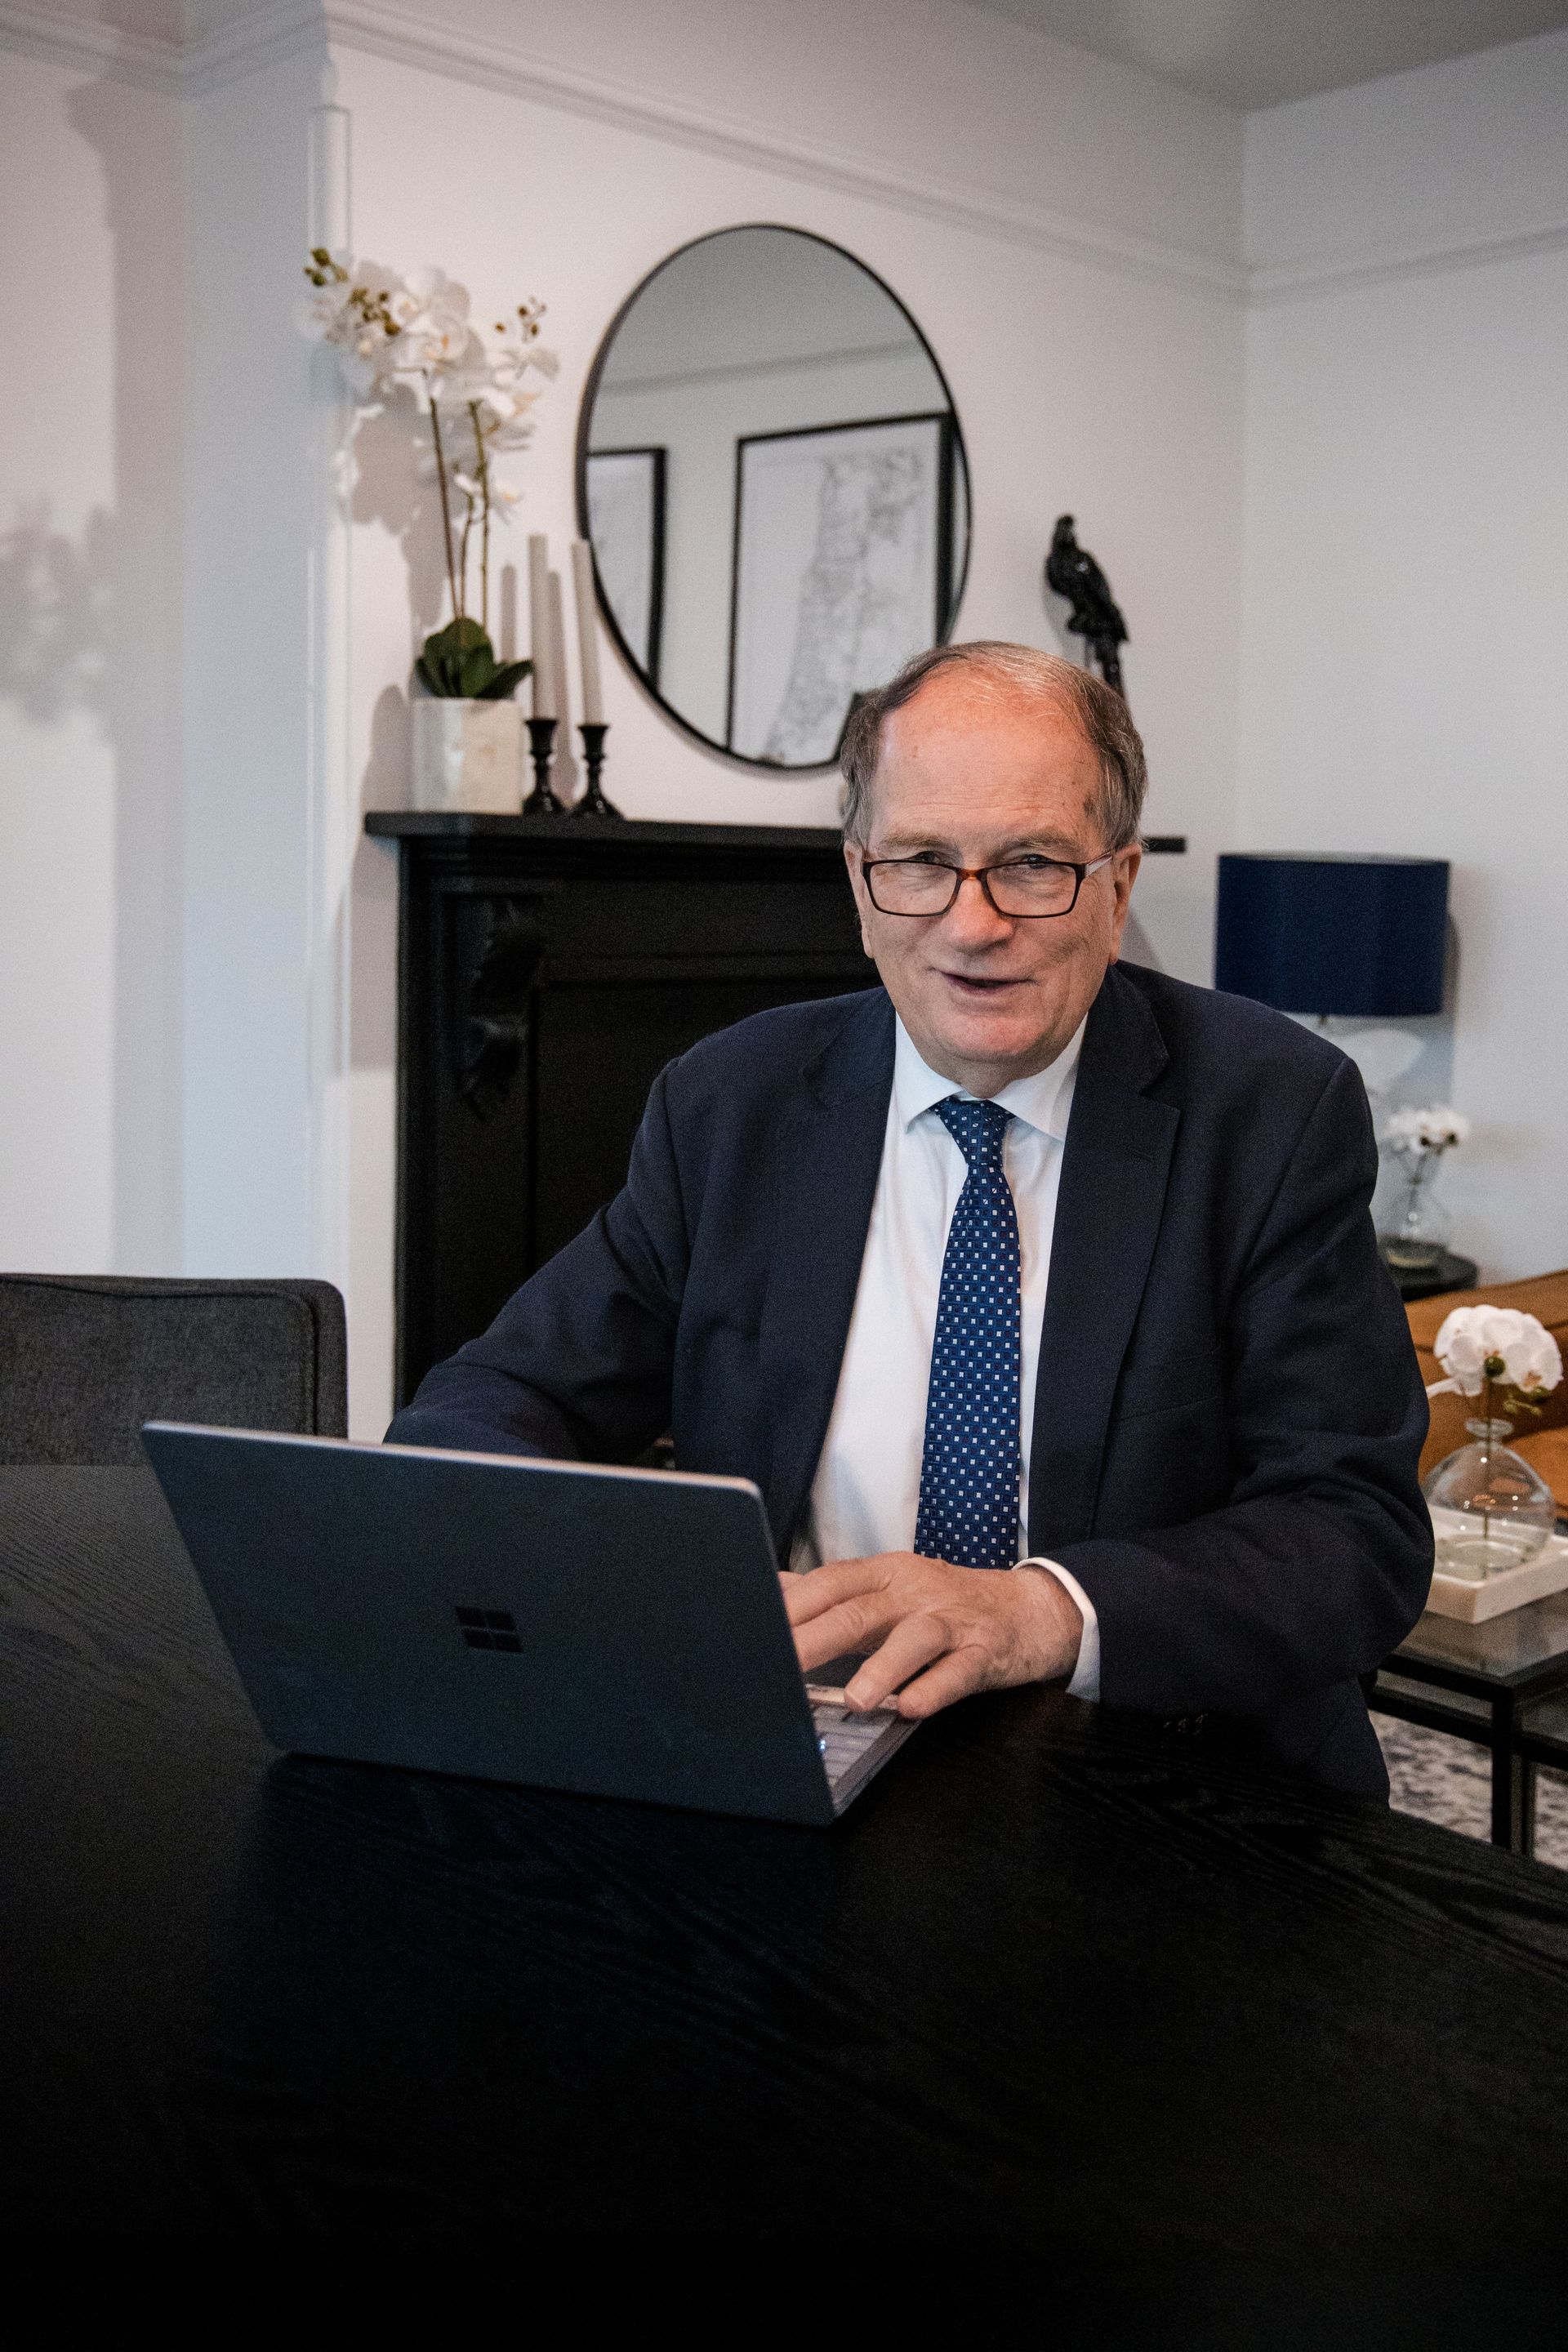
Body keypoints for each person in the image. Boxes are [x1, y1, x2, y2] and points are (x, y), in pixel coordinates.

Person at [388, 641, 1431, 1797]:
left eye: (1033, 864)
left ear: (1119, 884)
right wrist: (613, 1582)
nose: (972, 923)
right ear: (858, 884)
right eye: (922, 862)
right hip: (801, 1755)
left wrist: (1042, 1612)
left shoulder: (1273, 1112)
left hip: (1161, 1785)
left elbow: (1353, 1532)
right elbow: (498, 1398)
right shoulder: (732, 1102)